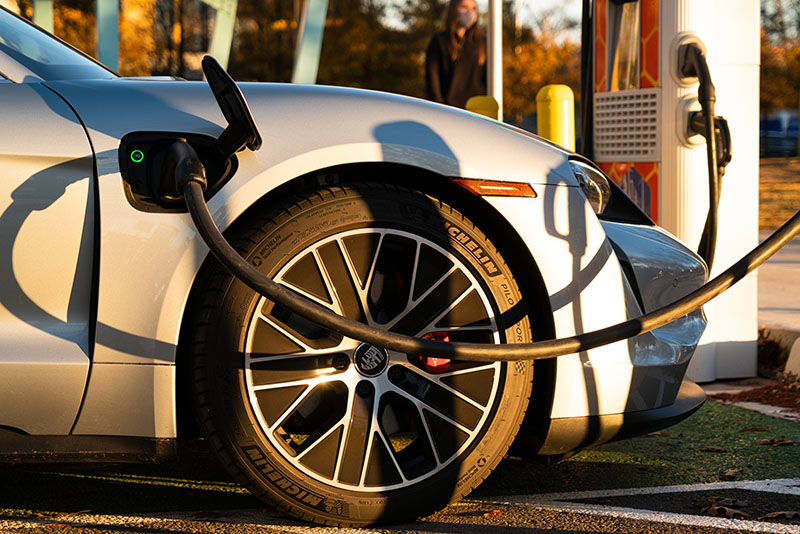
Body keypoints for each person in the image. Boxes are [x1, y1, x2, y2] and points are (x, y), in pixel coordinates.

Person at [425, 0, 486, 109]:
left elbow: (487, 79)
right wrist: (438, 104)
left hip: (476, 111)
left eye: (473, 8)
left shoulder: (482, 43)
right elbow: (432, 76)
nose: (469, 12)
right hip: (449, 110)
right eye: (464, 7)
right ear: (454, 10)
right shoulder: (440, 41)